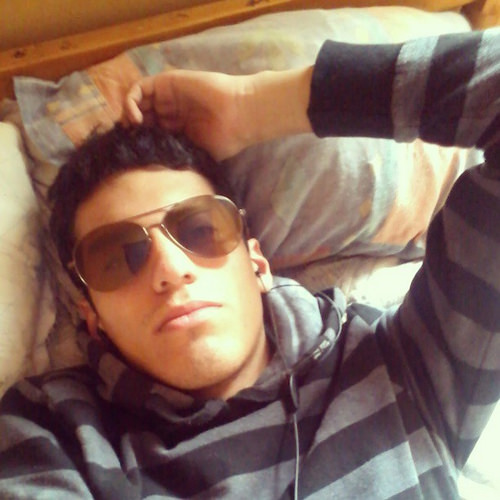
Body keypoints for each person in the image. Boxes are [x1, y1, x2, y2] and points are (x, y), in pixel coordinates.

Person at [0, 27, 499, 500]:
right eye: (117, 257)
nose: (170, 269)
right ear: (92, 318)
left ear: (257, 262)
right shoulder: (54, 431)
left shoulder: (406, 363)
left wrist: (254, 105)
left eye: (199, 229)